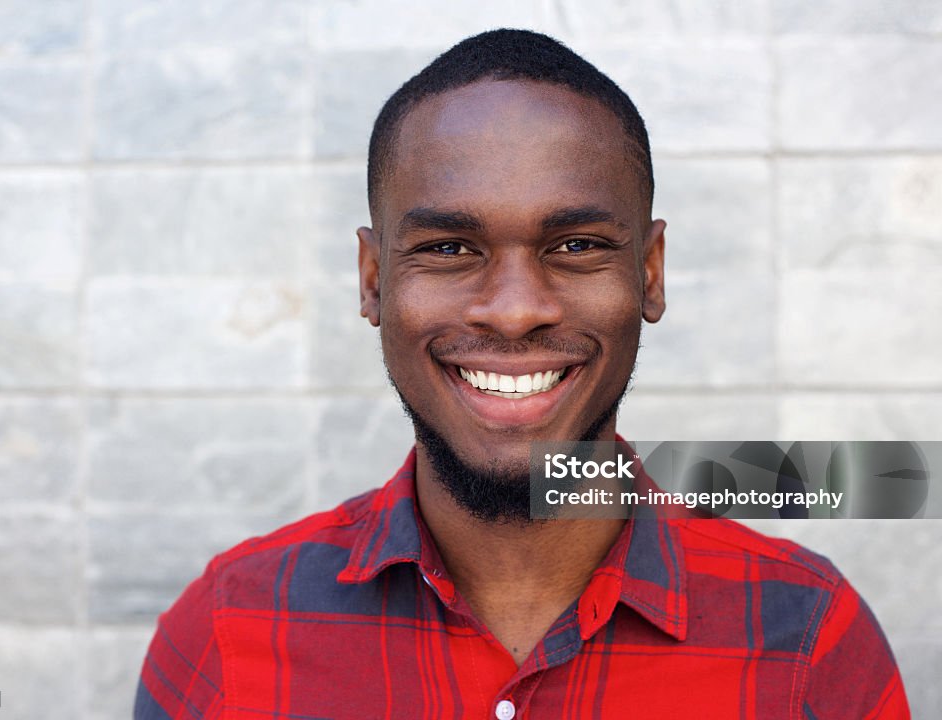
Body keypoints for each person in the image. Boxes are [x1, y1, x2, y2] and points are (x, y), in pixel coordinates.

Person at [135, 29, 909, 719]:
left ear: (650, 274)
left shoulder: (808, 640)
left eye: (575, 246)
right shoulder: (228, 634)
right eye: (447, 248)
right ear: (373, 279)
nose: (513, 313)